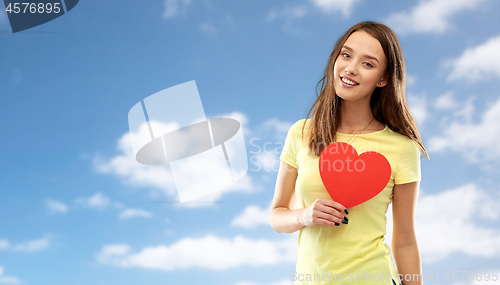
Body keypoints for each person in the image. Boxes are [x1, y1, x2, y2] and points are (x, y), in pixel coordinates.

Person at [270, 21, 430, 285]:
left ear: (383, 79)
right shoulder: (301, 133)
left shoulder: (402, 148)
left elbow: (405, 241)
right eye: (346, 55)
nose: (351, 69)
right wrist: (304, 215)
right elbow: (277, 215)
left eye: (368, 64)